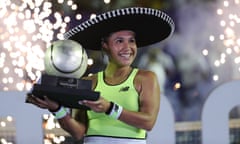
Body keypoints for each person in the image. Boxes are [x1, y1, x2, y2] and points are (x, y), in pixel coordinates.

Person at [26, 7, 174, 144]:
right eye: (119, 41)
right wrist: (57, 109)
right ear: (105, 45)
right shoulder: (89, 82)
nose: (127, 47)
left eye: (131, 41)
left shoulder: (146, 78)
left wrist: (109, 108)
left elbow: (148, 122)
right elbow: (78, 132)